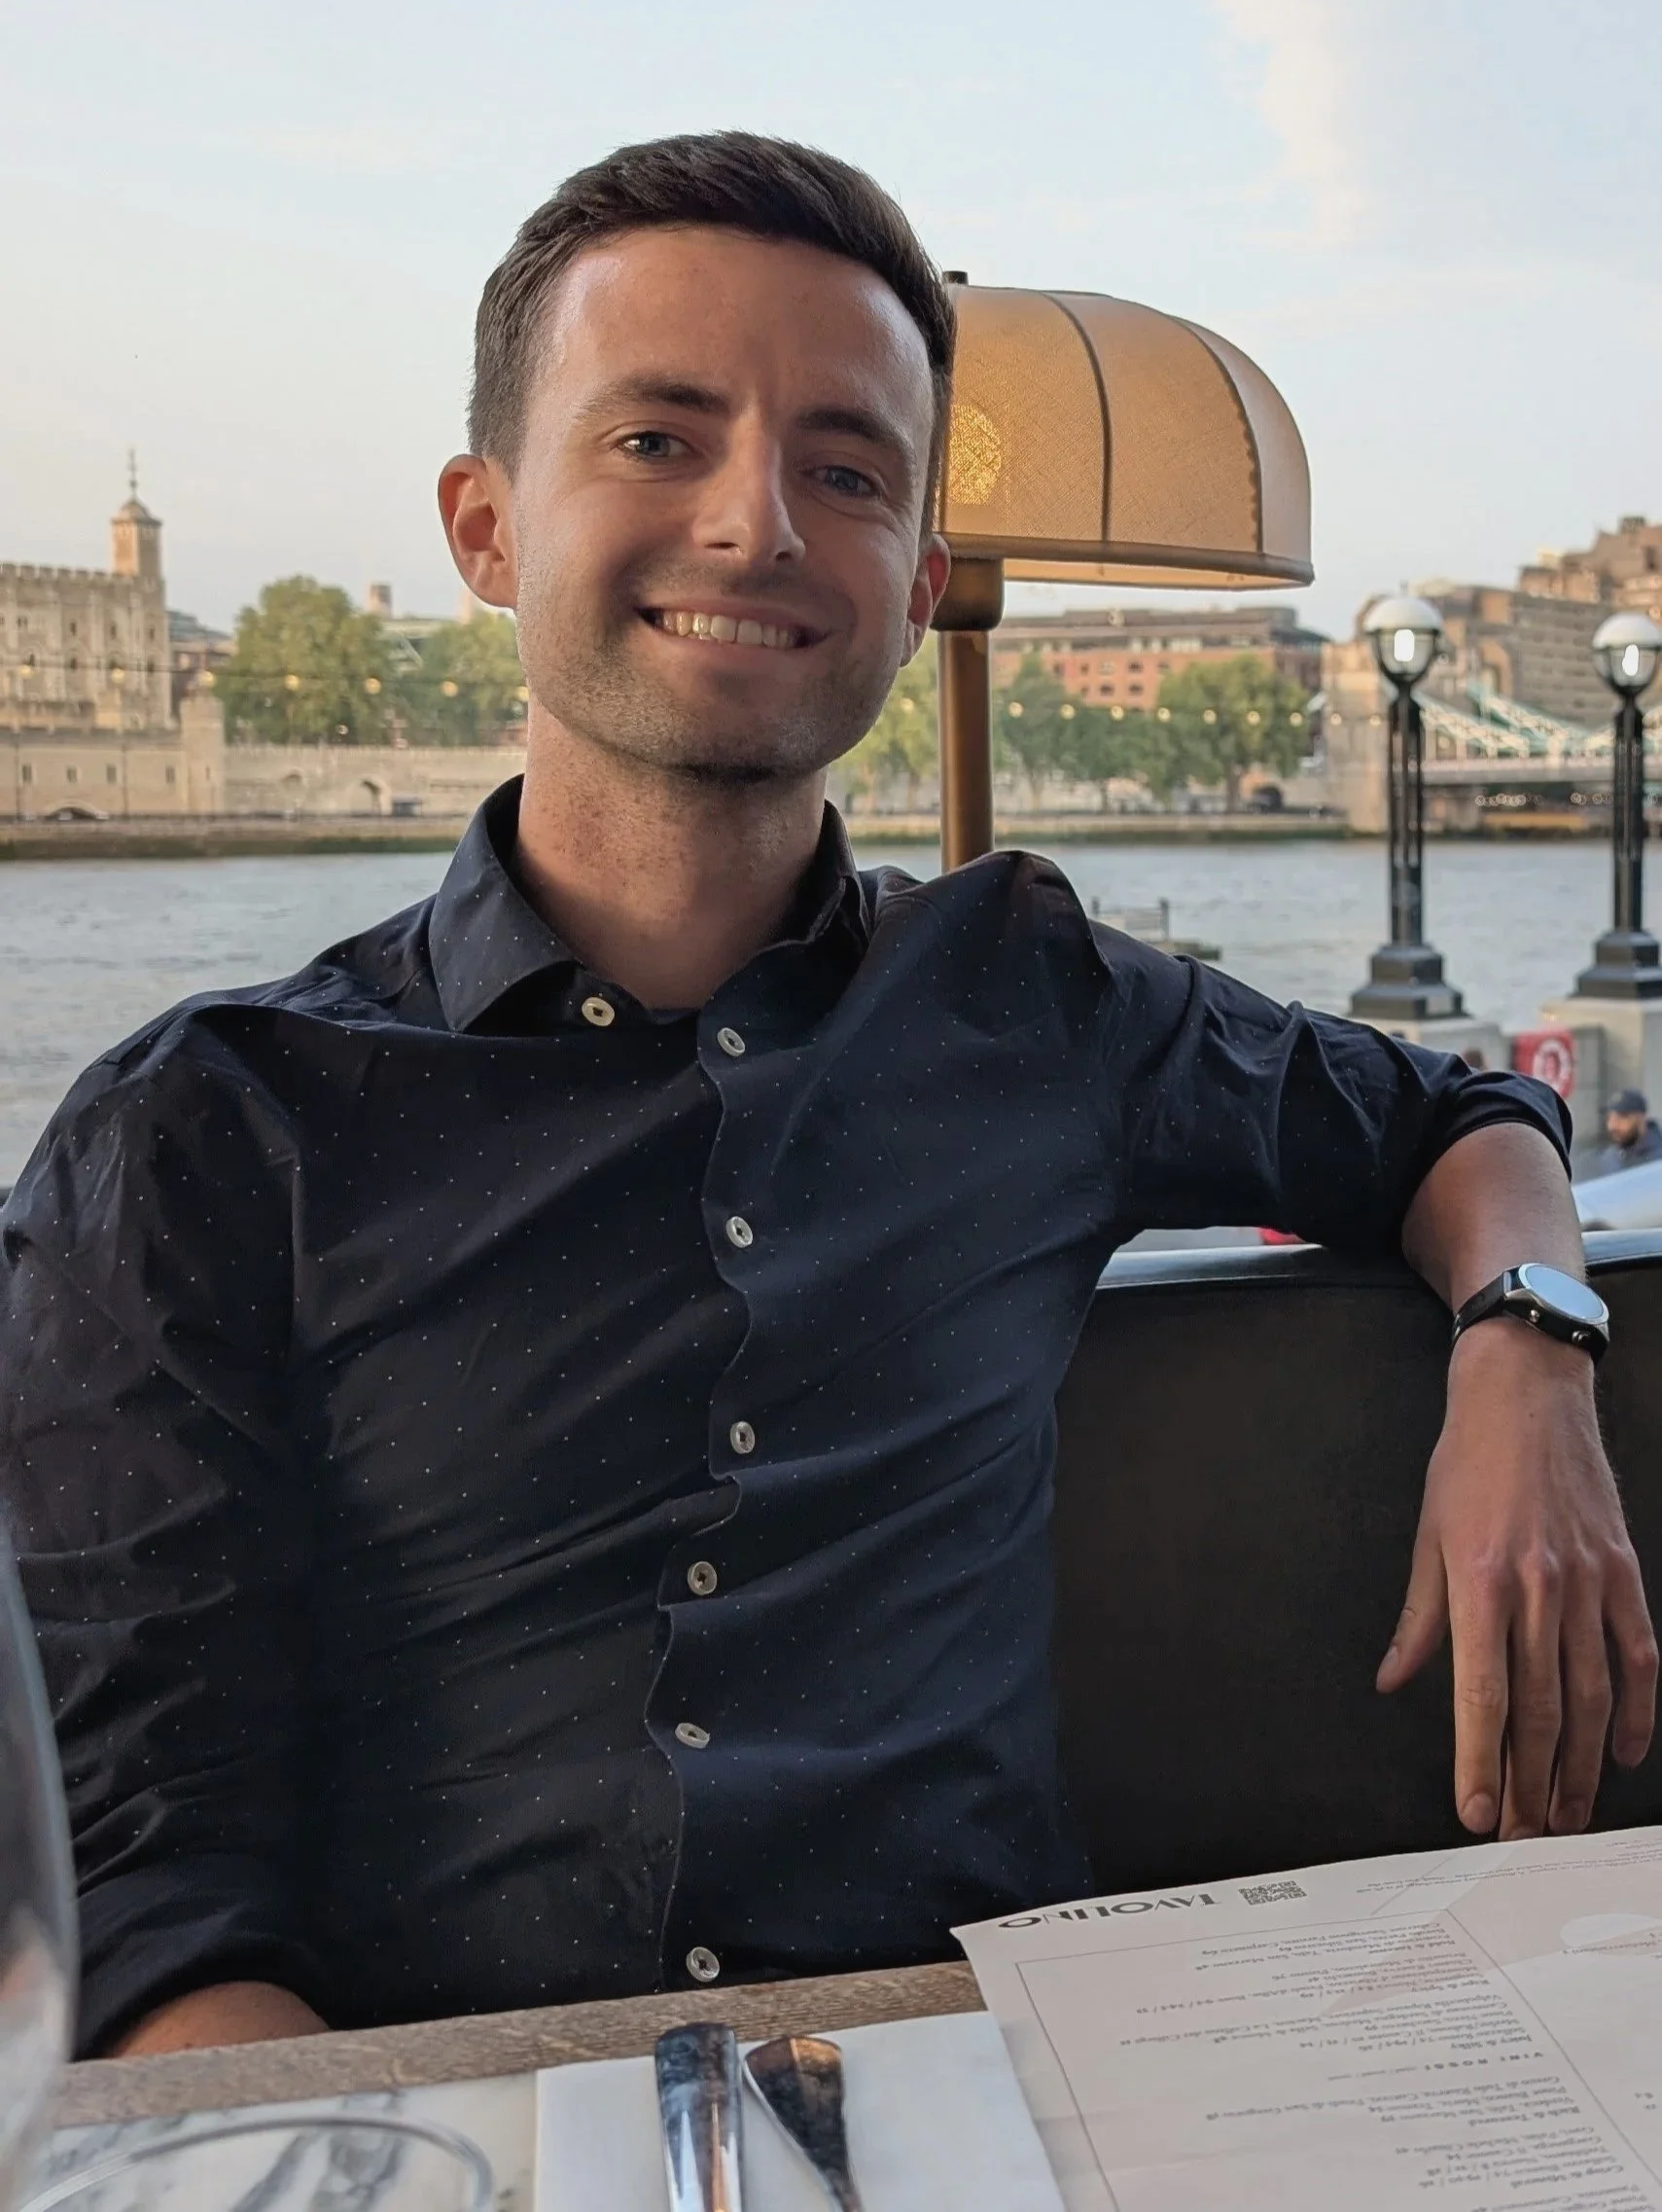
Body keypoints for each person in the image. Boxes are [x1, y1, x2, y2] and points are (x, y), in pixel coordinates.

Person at [1, 133, 1654, 2062]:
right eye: (655, 440)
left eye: (845, 469)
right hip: (451, 2125)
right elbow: (131, 1876)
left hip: (1000, 2080)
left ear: (916, 579)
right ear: (480, 525)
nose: (755, 523)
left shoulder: (1033, 1004)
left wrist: (1526, 1355)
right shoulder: (198, 1137)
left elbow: (1452, 1114)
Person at [1591, 1088, 1662, 1176]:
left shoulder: (1657, 1158)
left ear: (1641, 1119)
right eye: (1609, 1118)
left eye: (1622, 1117)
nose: (1612, 1126)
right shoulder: (1609, 1157)